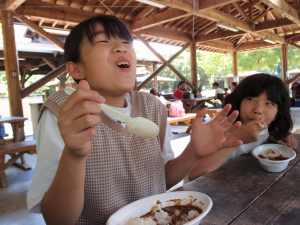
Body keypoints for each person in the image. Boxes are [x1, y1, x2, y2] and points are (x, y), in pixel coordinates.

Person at [27, 15, 243, 225]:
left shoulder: (153, 107)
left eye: (126, 43)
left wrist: (192, 154)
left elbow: (162, 179)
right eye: (103, 41)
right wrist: (74, 154)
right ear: (76, 69)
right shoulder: (64, 110)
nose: (121, 48)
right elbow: (57, 219)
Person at [188, 73, 298, 181]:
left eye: (269, 103)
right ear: (239, 101)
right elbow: (193, 175)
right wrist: (237, 137)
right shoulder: (219, 126)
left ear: (278, 112)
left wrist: (277, 136)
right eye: (251, 99)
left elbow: (262, 136)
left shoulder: (263, 127)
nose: (258, 110)